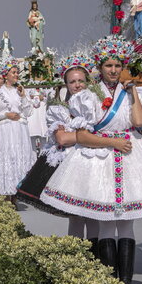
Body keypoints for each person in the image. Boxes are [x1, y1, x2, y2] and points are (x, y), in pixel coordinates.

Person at [41, 35, 142, 284]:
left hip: (132, 154)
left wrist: (132, 93)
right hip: (100, 157)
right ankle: (111, 282)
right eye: (108, 66)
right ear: (100, 68)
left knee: (127, 222)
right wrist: (112, 143)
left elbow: (140, 122)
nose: (113, 70)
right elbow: (84, 135)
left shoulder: (135, 92)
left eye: (117, 66)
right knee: (107, 222)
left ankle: (127, 281)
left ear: (123, 68)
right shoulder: (87, 96)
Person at [17, 52, 100, 251]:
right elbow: (62, 138)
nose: (77, 85)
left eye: (81, 80)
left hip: (93, 161)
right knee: (77, 214)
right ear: (65, 84)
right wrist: (90, 137)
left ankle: (98, 256)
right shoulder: (58, 107)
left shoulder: (96, 103)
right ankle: (77, 255)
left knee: (94, 212)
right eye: (72, 82)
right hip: (69, 163)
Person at [0, 58, 39, 202]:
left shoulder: (20, 91)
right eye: (14, 72)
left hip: (20, 131)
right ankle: (5, 195)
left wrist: (23, 97)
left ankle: (16, 195)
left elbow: (28, 112)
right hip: (4, 131)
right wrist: (5, 114)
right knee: (6, 159)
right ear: (6, 74)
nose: (16, 75)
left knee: (18, 159)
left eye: (17, 72)